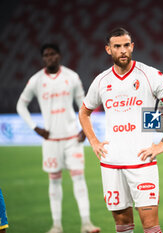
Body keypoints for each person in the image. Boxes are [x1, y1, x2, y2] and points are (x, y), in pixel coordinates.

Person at [79, 27, 163, 233]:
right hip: (111, 164)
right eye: (117, 46)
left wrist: (162, 144)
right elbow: (84, 112)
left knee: (151, 227)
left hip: (142, 163)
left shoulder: (150, 75)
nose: (123, 50)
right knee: (122, 226)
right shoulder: (101, 81)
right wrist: (94, 142)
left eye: (126, 45)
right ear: (109, 50)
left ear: (132, 46)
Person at [16, 44, 100, 233]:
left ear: (59, 56)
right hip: (51, 140)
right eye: (46, 55)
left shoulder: (72, 77)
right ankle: (57, 226)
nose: (49, 57)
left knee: (79, 179)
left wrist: (84, 130)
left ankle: (86, 223)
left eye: (52, 54)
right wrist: (34, 127)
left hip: (72, 138)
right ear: (43, 58)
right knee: (54, 180)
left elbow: (84, 105)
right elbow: (21, 106)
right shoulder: (36, 80)